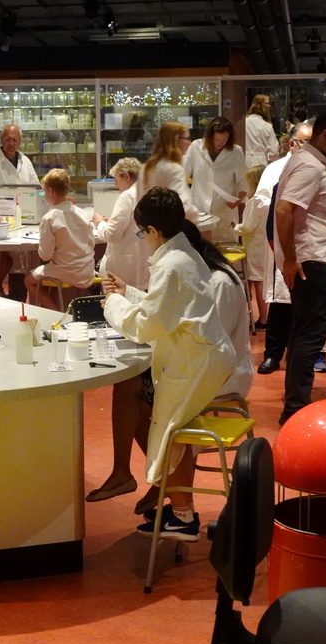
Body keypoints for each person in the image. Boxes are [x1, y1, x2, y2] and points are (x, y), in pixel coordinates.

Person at [100, 187, 235, 540]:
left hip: (194, 363)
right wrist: (127, 292)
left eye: (142, 232)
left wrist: (113, 304)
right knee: (164, 426)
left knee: (170, 432)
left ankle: (184, 517)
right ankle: (177, 509)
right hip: (205, 357)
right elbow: (169, 309)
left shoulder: (172, 264)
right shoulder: (184, 254)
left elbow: (149, 326)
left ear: (154, 231)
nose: (142, 239)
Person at [274, 110, 326, 424]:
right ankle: (294, 407)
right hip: (313, 260)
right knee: (310, 336)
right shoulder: (308, 165)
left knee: (303, 333)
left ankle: (295, 403)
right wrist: (291, 258)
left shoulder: (311, 162)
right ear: (325, 136)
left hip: (315, 258)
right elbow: (283, 210)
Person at [254, 120, 313, 375]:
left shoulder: (319, 168)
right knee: (281, 302)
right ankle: (273, 354)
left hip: (309, 243)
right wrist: (283, 209)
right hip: (281, 240)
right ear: (292, 143)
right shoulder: (275, 169)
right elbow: (261, 199)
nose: (309, 147)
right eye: (304, 142)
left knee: (309, 305)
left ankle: (309, 355)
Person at [0, 124, 40, 300]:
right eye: (7, 139)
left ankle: (18, 295)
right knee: (2, 252)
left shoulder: (25, 160)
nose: (11, 143)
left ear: (20, 141)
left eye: (15, 140)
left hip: (25, 213)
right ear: (1, 140)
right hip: (1, 213)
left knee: (22, 258)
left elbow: (35, 186)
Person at [26, 168, 94, 310]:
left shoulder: (49, 218)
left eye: (44, 191)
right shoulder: (82, 213)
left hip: (65, 271)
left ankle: (55, 312)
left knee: (28, 280)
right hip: (87, 270)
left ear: (50, 191)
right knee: (53, 273)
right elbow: (91, 243)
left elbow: (45, 255)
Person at [182, 116, 248, 243]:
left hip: (224, 210)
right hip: (199, 208)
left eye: (224, 139)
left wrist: (238, 200)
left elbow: (243, 181)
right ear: (210, 136)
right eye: (218, 139)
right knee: (200, 248)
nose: (220, 142)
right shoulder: (196, 147)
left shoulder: (236, 152)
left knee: (225, 250)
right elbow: (183, 173)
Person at [93, 158, 150, 291]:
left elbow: (111, 234)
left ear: (126, 176)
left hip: (125, 268)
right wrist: (112, 220)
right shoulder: (148, 192)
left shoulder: (127, 196)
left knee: (117, 305)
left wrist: (99, 222)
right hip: (144, 264)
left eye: (117, 180)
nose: (116, 184)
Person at [139, 121, 197, 220]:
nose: (189, 142)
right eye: (186, 138)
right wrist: (195, 215)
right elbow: (180, 205)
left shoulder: (146, 167)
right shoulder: (174, 169)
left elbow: (140, 202)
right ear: (175, 139)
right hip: (171, 229)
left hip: (150, 228)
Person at [235, 164, 268, 326]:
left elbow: (247, 226)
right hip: (263, 244)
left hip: (254, 246)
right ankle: (264, 317)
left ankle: (263, 318)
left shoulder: (255, 202)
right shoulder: (266, 199)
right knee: (261, 280)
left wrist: (235, 227)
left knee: (258, 281)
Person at [244, 94, 280, 169]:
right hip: (261, 162)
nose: (269, 106)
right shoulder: (267, 126)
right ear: (260, 105)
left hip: (244, 161)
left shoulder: (243, 123)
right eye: (267, 103)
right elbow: (273, 150)